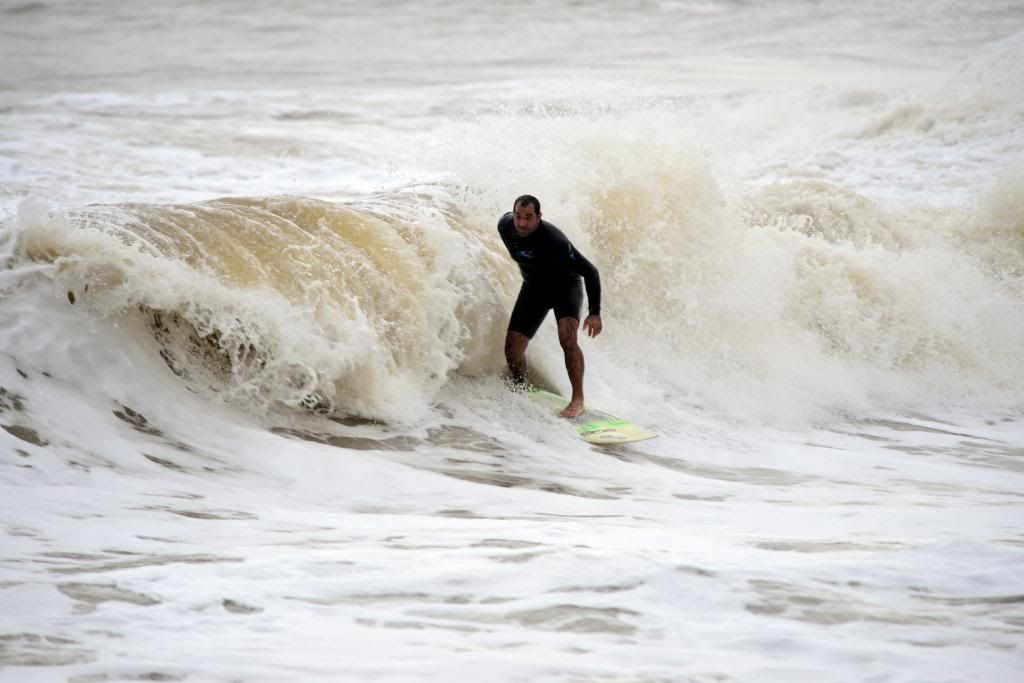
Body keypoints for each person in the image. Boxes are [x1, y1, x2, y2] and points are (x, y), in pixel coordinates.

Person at [497, 195, 601, 419]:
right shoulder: (505, 226)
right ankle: (520, 388)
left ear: (539, 217)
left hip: (565, 288)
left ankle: (578, 400)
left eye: (528, 218)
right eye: (518, 217)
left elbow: (590, 271)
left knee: (567, 338)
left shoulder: (555, 241)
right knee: (513, 349)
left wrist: (594, 313)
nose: (522, 223)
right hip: (534, 288)